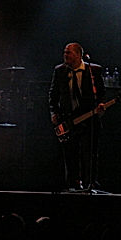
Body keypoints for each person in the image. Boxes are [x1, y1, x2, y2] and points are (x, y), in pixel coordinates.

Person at [48, 42, 107, 191]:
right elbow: (53, 94)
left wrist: (100, 105)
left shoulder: (93, 70)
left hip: (89, 119)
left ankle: (90, 183)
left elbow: (101, 93)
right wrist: (54, 112)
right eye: (65, 52)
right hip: (68, 119)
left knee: (90, 153)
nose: (65, 55)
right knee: (70, 154)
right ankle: (72, 185)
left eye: (69, 53)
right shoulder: (60, 71)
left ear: (78, 55)